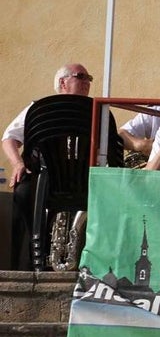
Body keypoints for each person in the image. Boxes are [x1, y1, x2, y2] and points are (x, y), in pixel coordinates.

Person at [2, 63, 93, 268]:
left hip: (79, 177)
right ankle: (26, 264)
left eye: (89, 78)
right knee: (24, 193)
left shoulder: (93, 111)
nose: (87, 82)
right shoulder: (40, 108)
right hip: (44, 175)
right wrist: (17, 163)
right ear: (63, 82)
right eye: (81, 77)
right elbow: (9, 138)